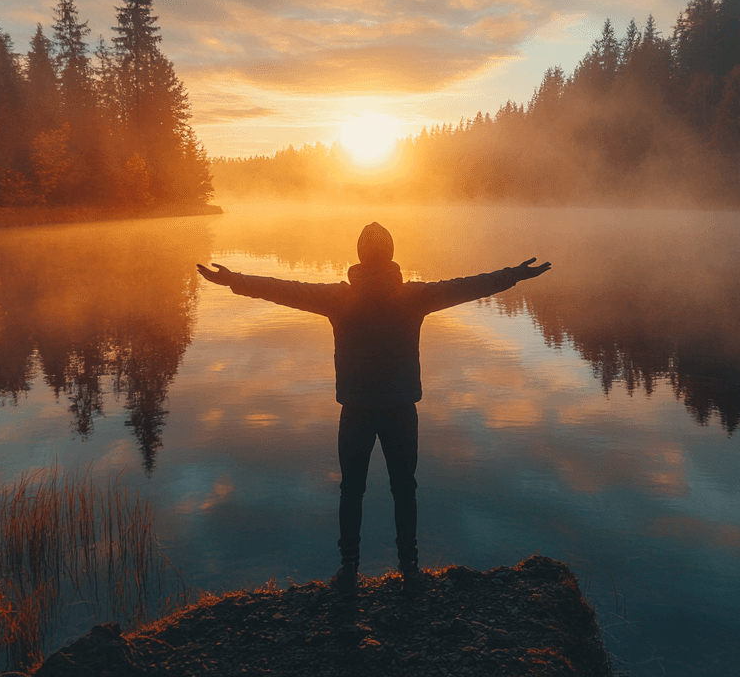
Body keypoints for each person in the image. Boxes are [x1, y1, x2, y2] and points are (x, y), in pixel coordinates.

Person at [196, 222, 551, 597]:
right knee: (404, 489)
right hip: (400, 409)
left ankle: (349, 569)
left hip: (356, 410)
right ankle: (409, 568)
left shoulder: (339, 297)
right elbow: (467, 286)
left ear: (361, 258)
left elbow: (284, 290)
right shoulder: (413, 296)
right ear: (392, 256)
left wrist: (234, 279)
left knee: (351, 490)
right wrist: (513, 275)